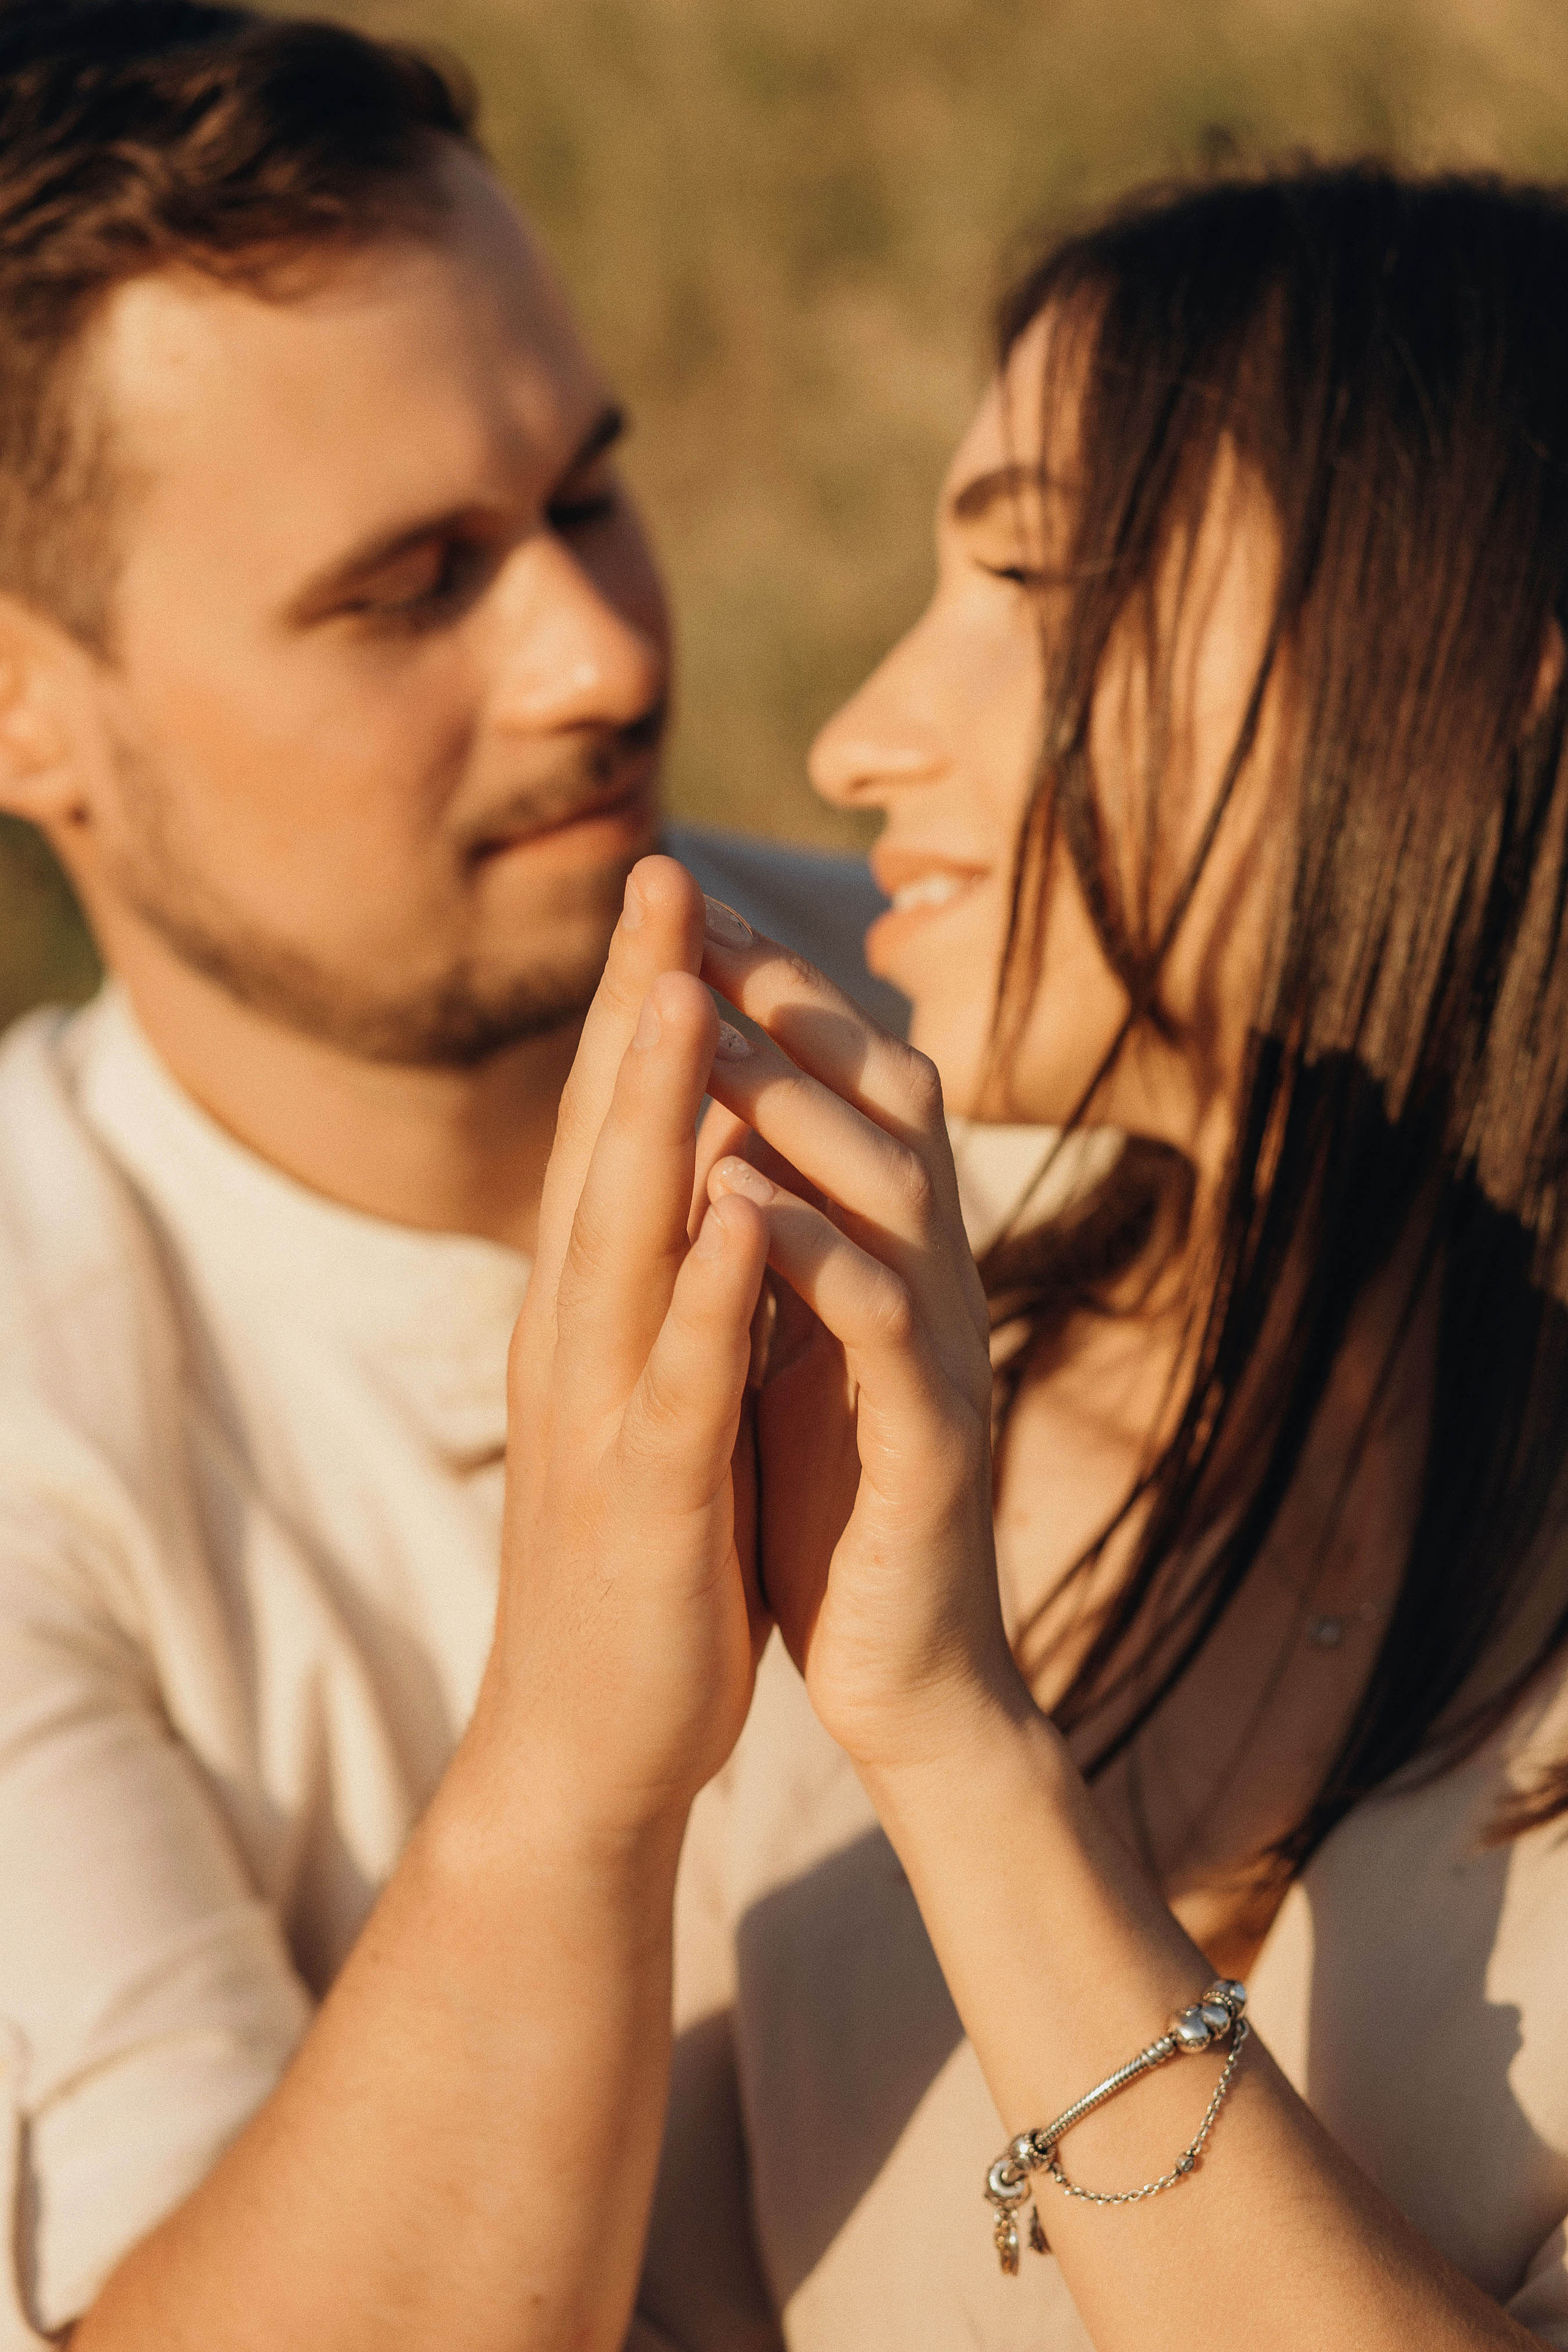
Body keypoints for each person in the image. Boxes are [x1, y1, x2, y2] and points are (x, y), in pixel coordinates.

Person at [0, 5, 898, 2345]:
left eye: (585, 493)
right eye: (409, 587)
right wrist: (575, 1776)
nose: (598, 656)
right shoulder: (32, 1383)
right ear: (25, 705)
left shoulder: (994, 1040)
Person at [612, 165, 1568, 2348]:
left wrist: (959, 1746)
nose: (861, 740)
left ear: (1480, 666)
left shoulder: (909, 1555)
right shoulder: (889, 1396)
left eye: (1036, 579)